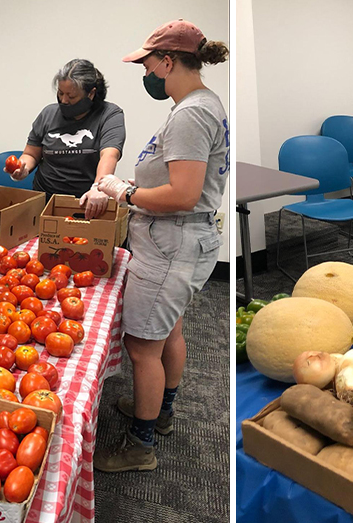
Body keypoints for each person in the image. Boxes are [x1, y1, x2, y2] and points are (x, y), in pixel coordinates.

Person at [92, 19, 228, 473]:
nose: (145, 74)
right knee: (168, 330)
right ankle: (161, 413)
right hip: (178, 239)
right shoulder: (195, 105)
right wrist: (129, 183)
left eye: (147, 65)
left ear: (167, 61)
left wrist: (122, 193)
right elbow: (173, 178)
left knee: (141, 346)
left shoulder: (191, 113)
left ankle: (140, 446)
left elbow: (184, 193)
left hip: (173, 241)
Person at [6, 59, 125, 219]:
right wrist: (22, 168)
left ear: (91, 93)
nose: (64, 101)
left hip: (85, 203)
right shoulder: (48, 114)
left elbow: (109, 155)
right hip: (45, 202)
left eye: (71, 96)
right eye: (60, 93)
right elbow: (31, 154)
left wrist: (98, 187)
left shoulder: (109, 114)